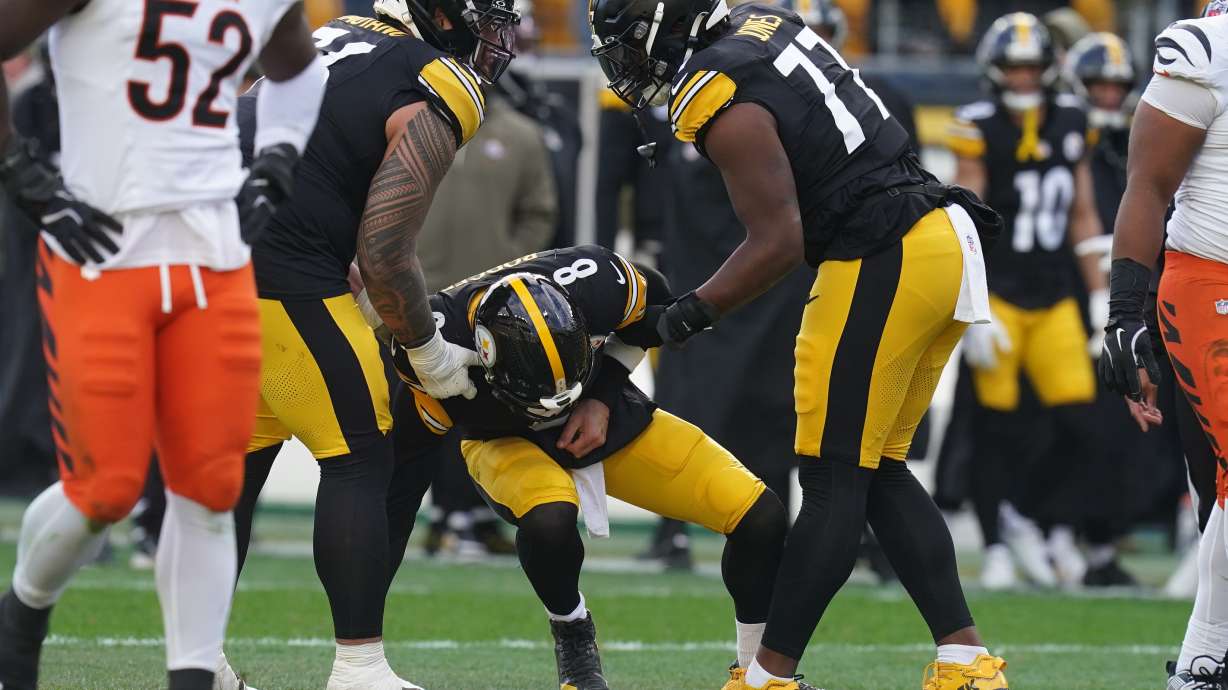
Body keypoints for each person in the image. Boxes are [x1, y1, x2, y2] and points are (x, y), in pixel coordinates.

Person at [590, 1, 1007, 689]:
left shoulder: (712, 86)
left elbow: (777, 242)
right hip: (935, 236)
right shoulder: (765, 22)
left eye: (632, 41)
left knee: (832, 475)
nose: (628, 60)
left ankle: (768, 677)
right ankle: (965, 660)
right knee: (875, 470)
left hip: (884, 251)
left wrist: (689, 313)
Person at [0, 1, 327, 688]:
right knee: (105, 491)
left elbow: (299, 68)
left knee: (210, 488)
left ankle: (193, 678)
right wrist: (19, 170)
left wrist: (277, 157)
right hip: (102, 253)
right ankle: (21, 615)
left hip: (215, 256)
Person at [226, 2, 518, 687]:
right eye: (488, 13)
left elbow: (244, 115)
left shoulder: (331, 36)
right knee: (360, 448)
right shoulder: (434, 79)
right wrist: (427, 350)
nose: (499, 34)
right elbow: (387, 253)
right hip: (281, 269)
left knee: (231, 469)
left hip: (207, 252)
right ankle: (359, 666)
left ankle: (196, 656)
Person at [378, 245, 788, 690]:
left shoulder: (595, 281)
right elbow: (402, 482)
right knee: (550, 517)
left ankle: (755, 676)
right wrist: (360, 642)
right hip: (503, 437)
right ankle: (572, 630)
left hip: (604, 415)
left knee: (758, 516)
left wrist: (600, 395)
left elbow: (655, 306)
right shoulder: (437, 350)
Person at [949, 12, 1110, 590]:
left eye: (1032, 67)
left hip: (1054, 293)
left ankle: (1043, 521)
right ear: (995, 70)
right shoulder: (978, 124)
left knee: (1081, 422)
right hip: (1001, 296)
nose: (1023, 79)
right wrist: (972, 307)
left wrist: (1099, 297)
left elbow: (1082, 212)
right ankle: (995, 542)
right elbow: (966, 219)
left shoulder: (1073, 118)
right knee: (996, 427)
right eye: (1014, 68)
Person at [1097, 3, 1228, 687]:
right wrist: (1124, 314)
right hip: (1212, 279)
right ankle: (1205, 661)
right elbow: (1147, 184)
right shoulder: (1208, 47)